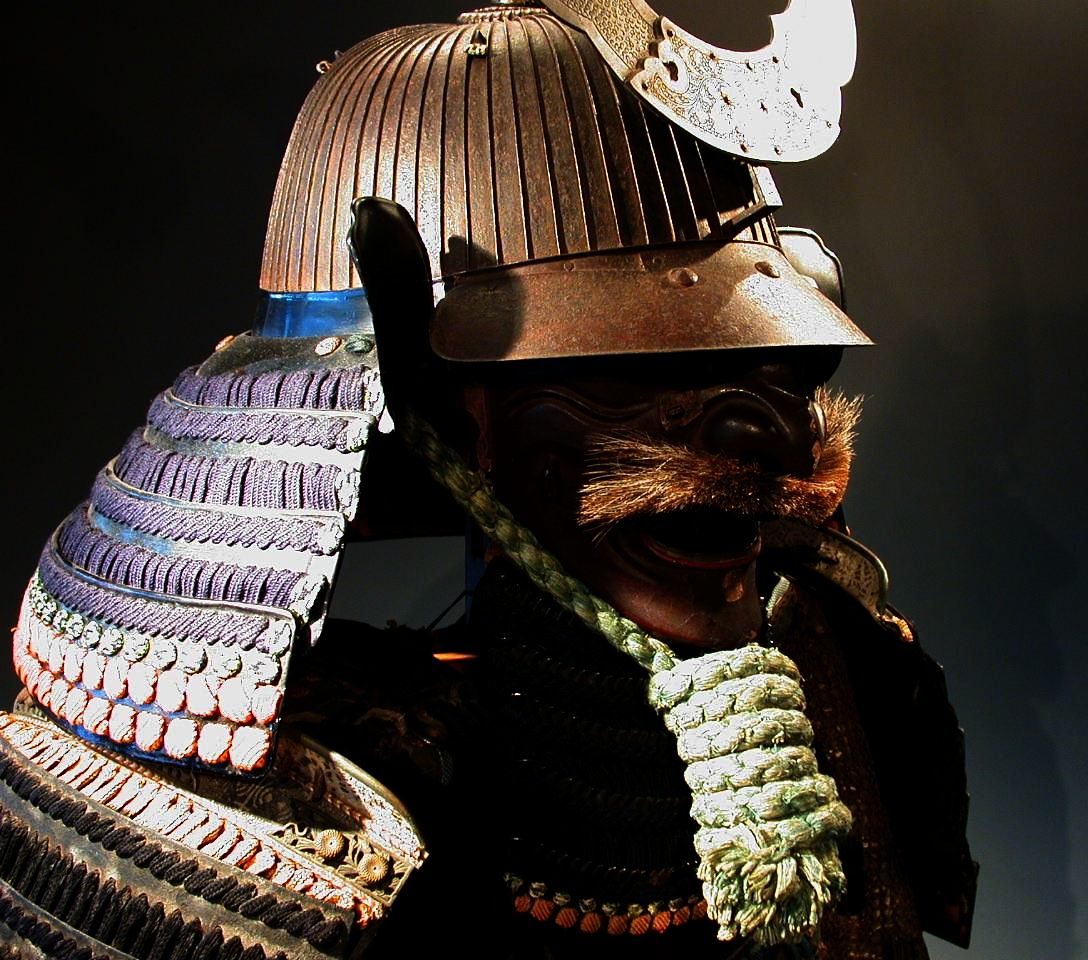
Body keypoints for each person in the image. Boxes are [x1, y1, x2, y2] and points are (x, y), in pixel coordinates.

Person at [0, 3, 974, 958]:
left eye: (763, 364)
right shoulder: (228, 799)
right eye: (623, 371)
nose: (773, 435)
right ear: (423, 388)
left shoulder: (828, 671)